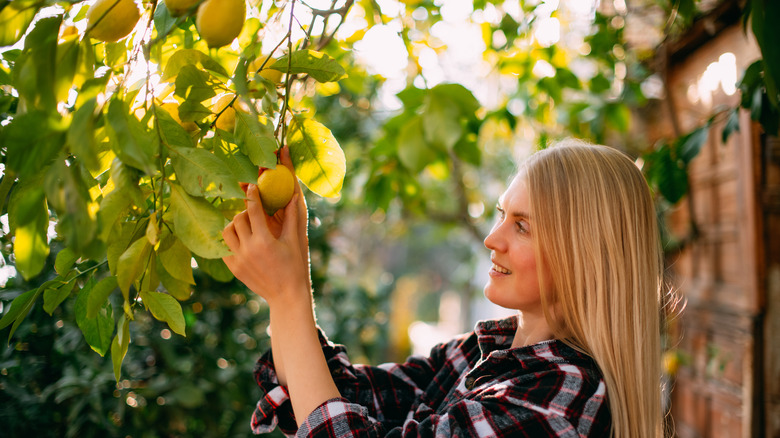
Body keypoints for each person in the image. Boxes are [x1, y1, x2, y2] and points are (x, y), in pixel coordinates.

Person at [222, 140, 666, 437]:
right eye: (500, 214)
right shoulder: (478, 353)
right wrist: (286, 273)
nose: (493, 239)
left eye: (523, 226)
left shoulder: (563, 400)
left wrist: (289, 295)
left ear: (585, 253)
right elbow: (346, 396)